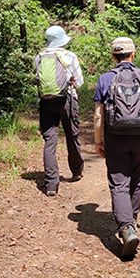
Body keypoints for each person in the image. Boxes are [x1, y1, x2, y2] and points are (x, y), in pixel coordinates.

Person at [94, 37, 140, 258]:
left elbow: (99, 115)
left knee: (118, 182)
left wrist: (98, 141)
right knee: (137, 178)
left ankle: (126, 227)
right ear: (133, 55)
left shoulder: (105, 79)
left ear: (114, 56)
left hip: (115, 136)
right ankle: (131, 219)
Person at [35, 26, 85, 196]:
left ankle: (51, 185)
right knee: (72, 135)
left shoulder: (39, 57)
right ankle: (76, 170)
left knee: (50, 141)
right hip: (67, 101)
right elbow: (79, 83)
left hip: (46, 102)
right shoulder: (69, 56)